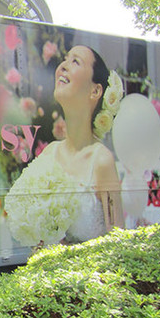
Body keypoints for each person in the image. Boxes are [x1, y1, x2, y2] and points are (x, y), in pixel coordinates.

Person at [32, 44, 124, 242]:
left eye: (75, 61)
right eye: (65, 59)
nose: (63, 66)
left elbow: (118, 242)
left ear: (95, 91)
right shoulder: (49, 154)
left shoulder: (101, 161)